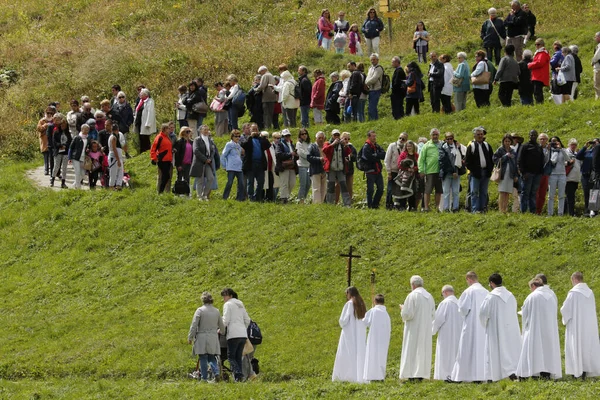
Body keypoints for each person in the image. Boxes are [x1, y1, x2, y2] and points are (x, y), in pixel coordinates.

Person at [516, 278, 562, 380]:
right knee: (547, 350)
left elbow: (525, 312)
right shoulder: (551, 296)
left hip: (535, 328)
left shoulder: (532, 296)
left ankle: (531, 373)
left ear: (533, 286)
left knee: (533, 349)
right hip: (549, 329)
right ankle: (546, 373)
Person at [479, 274, 521, 382]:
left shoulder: (491, 297)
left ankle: (491, 376)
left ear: (492, 283)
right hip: (511, 328)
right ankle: (514, 371)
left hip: (496, 328)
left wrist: (484, 324)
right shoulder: (510, 295)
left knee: (495, 350)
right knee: (511, 349)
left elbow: (483, 313)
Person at [449, 271, 488, 383]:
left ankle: (462, 375)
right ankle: (481, 375)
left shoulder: (469, 292)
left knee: (466, 349)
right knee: (481, 349)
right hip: (483, 325)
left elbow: (463, 309)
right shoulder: (485, 291)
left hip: (471, 325)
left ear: (469, 279)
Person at [561, 272, 600, 378]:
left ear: (574, 279)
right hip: (588, 326)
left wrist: (564, 318)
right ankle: (586, 370)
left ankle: (576, 371)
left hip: (576, 326)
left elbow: (565, 309)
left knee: (576, 345)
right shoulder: (590, 293)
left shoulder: (574, 293)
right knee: (587, 347)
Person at [399, 275, 435, 381]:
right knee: (422, 350)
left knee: (412, 349)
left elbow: (407, 314)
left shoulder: (412, 295)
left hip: (414, 328)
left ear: (413, 285)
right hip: (426, 328)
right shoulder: (429, 296)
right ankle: (420, 374)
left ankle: (411, 374)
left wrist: (402, 309)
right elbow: (433, 314)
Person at [188, 292, 225, 383]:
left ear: (203, 300)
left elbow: (194, 325)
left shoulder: (200, 310)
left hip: (202, 336)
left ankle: (204, 378)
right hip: (213, 336)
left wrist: (190, 337)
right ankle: (216, 373)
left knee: (203, 357)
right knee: (212, 357)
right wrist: (223, 332)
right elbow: (221, 325)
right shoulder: (216, 311)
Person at [332, 286, 367, 383]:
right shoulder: (361, 304)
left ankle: (346, 375)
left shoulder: (349, 304)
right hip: (359, 333)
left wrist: (341, 323)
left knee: (347, 351)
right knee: (359, 352)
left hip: (349, 333)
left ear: (349, 294)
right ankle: (359, 375)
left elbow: (343, 320)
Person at [221, 288, 250, 383]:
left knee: (231, 357)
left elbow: (225, 320)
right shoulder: (241, 304)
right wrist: (243, 328)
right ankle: (239, 378)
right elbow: (247, 320)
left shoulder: (228, 304)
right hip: (243, 334)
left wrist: (220, 329)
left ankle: (238, 374)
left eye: (225, 296)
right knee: (238, 357)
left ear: (230, 296)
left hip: (233, 334)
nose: (224, 298)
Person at [432, 285, 461, 381]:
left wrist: (432, 330)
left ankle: (445, 375)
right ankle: (456, 375)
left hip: (446, 335)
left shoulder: (445, 303)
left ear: (445, 292)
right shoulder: (459, 303)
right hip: (458, 334)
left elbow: (438, 319)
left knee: (445, 355)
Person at [363, 294, 391, 382]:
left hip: (374, 338)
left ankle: (372, 376)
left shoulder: (373, 311)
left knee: (372, 355)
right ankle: (380, 376)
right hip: (384, 339)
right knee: (381, 356)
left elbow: (365, 321)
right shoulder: (386, 314)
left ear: (375, 302)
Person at [466, 126, 493, 213]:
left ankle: (482, 208)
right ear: (474, 136)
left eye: (481, 134)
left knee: (484, 192)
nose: (480, 136)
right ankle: (475, 209)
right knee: (474, 192)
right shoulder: (471, 146)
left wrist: (489, 170)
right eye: (478, 134)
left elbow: (492, 158)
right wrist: (474, 171)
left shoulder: (487, 145)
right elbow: (467, 161)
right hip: (475, 174)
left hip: (486, 172)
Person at [241, 125, 270, 202]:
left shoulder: (260, 140)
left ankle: (257, 196)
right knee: (250, 182)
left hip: (260, 164)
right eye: (253, 129)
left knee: (261, 182)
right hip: (251, 164)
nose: (255, 131)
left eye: (256, 129)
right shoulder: (248, 139)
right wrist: (250, 136)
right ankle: (251, 197)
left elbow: (268, 144)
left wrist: (261, 136)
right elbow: (243, 145)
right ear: (250, 130)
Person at [323, 129, 351, 207]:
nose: (336, 137)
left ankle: (347, 204)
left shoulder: (341, 144)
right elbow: (324, 150)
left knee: (343, 185)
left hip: (340, 168)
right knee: (331, 186)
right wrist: (332, 144)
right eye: (335, 135)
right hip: (331, 168)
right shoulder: (327, 143)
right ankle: (330, 203)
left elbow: (348, 152)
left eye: (338, 135)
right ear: (332, 136)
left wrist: (345, 145)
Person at [517, 130, 544, 213]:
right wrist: (523, 173)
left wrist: (540, 172)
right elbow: (519, 160)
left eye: (535, 135)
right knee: (525, 193)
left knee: (533, 193)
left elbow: (542, 160)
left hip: (537, 174)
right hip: (527, 174)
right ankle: (523, 211)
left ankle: (532, 211)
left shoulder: (539, 147)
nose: (533, 136)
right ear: (529, 136)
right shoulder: (525, 146)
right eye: (532, 135)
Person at [418, 129, 442, 212]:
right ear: (430, 136)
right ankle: (426, 207)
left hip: (440, 171)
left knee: (439, 190)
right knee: (427, 190)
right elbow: (421, 159)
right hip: (429, 171)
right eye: (433, 134)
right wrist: (421, 170)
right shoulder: (426, 145)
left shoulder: (441, 144)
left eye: (436, 134)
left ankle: (437, 207)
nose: (435, 136)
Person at [493, 134, 518, 213]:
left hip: (510, 174)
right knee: (502, 192)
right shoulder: (500, 150)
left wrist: (515, 175)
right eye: (506, 141)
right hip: (502, 174)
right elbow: (495, 160)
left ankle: (505, 209)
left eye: (509, 141)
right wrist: (505, 156)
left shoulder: (513, 151)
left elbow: (515, 164)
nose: (507, 143)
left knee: (507, 192)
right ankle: (501, 210)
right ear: (503, 141)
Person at [439, 133, 464, 212]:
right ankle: (446, 208)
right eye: (448, 139)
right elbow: (444, 162)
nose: (449, 140)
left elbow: (462, 158)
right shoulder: (442, 148)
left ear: (453, 138)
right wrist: (452, 171)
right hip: (447, 173)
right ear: (445, 139)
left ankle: (455, 207)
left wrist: (456, 171)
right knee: (446, 192)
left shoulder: (458, 146)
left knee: (456, 191)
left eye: (451, 138)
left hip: (456, 173)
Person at [361, 130, 385, 209]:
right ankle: (370, 205)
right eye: (373, 136)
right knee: (370, 190)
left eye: (375, 136)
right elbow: (368, 157)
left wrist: (376, 155)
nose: (375, 138)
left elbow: (384, 154)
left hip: (378, 171)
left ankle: (375, 204)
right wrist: (377, 156)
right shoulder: (366, 146)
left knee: (381, 189)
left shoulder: (377, 146)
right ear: (369, 137)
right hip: (370, 171)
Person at [190, 125, 214, 201]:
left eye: (207, 130)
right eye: (204, 130)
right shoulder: (197, 140)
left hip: (208, 162)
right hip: (199, 162)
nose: (206, 131)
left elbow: (212, 150)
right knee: (200, 180)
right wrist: (205, 159)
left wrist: (210, 158)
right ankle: (199, 196)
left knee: (211, 178)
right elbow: (196, 151)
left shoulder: (209, 140)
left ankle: (205, 194)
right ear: (200, 131)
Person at [546, 136, 569, 216]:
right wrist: (551, 150)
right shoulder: (549, 150)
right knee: (551, 195)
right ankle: (550, 213)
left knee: (561, 195)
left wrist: (561, 149)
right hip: (552, 174)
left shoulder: (563, 150)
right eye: (552, 141)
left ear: (559, 141)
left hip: (562, 174)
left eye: (556, 141)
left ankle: (560, 213)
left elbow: (568, 159)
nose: (554, 143)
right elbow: (552, 161)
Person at [384, 133, 408, 209]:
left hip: (401, 171)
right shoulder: (392, 146)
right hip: (393, 170)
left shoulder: (406, 148)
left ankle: (401, 205)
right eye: (400, 138)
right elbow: (387, 159)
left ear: (406, 140)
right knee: (390, 188)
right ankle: (389, 204)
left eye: (403, 139)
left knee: (401, 189)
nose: (401, 140)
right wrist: (388, 172)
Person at [397, 140, 421, 211]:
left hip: (413, 176)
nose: (409, 147)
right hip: (404, 176)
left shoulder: (416, 155)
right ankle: (402, 206)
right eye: (407, 146)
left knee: (413, 191)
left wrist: (414, 169)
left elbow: (419, 165)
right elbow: (399, 164)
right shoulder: (403, 154)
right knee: (403, 190)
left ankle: (412, 206)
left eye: (410, 146)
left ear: (413, 147)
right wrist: (407, 169)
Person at [576, 138, 598, 215]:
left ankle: (593, 210)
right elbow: (578, 156)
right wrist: (585, 147)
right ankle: (587, 210)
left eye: (595, 142)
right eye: (593, 142)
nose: (594, 144)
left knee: (594, 193)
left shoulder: (598, 152)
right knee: (586, 193)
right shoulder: (587, 152)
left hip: (595, 176)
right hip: (585, 175)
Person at [150, 123, 173, 194]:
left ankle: (161, 192)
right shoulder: (159, 137)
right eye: (168, 129)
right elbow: (153, 148)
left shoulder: (167, 137)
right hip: (162, 160)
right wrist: (154, 158)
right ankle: (160, 192)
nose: (170, 130)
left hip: (168, 159)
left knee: (166, 176)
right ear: (164, 129)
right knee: (165, 176)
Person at [275, 129, 297, 204]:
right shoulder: (279, 144)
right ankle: (283, 199)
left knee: (292, 183)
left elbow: (294, 155)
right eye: (285, 136)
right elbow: (278, 155)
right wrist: (290, 154)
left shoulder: (291, 144)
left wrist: (296, 155)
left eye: (288, 135)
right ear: (282, 136)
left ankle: (286, 196)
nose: (287, 137)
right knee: (284, 184)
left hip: (292, 166)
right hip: (283, 167)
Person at [221, 131, 245, 201]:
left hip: (239, 167)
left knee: (241, 183)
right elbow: (223, 155)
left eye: (239, 136)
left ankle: (240, 198)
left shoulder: (239, 145)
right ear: (232, 137)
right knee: (230, 182)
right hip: (231, 167)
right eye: (236, 136)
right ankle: (225, 197)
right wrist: (224, 165)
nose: (237, 138)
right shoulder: (229, 144)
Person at [50, 113, 71, 189]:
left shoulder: (68, 133)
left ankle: (63, 182)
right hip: (58, 151)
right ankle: (52, 179)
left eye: (64, 126)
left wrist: (66, 146)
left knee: (64, 167)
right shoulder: (56, 132)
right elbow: (54, 142)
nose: (63, 127)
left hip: (65, 152)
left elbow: (70, 142)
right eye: (62, 125)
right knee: (56, 166)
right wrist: (60, 145)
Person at [133, 88, 156, 153]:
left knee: (145, 137)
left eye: (141, 93)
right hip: (140, 121)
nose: (140, 94)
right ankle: (142, 150)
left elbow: (150, 112)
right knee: (140, 136)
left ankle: (147, 149)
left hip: (145, 122)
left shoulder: (150, 101)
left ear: (145, 94)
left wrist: (148, 123)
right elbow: (137, 110)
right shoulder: (141, 101)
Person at [528, 38, 550, 104]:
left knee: (537, 92)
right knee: (536, 91)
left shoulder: (542, 53)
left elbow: (539, 63)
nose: (536, 46)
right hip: (537, 75)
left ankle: (540, 104)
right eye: (535, 44)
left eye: (538, 44)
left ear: (542, 45)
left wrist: (529, 65)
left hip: (539, 75)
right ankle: (539, 103)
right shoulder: (539, 53)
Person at [307, 131, 327, 204]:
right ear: (316, 139)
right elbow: (309, 157)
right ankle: (316, 204)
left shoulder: (325, 146)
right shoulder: (312, 146)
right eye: (319, 138)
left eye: (322, 138)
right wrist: (319, 159)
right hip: (315, 170)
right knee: (316, 188)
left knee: (324, 188)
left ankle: (321, 203)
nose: (321, 139)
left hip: (324, 170)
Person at [69, 124, 90, 190]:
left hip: (83, 157)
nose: (86, 131)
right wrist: (69, 158)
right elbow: (71, 148)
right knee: (77, 172)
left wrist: (87, 150)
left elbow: (88, 147)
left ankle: (74, 184)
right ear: (81, 129)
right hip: (75, 157)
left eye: (87, 130)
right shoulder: (77, 138)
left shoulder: (88, 138)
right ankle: (78, 188)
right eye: (85, 129)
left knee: (83, 173)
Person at [173, 127, 193, 191]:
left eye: (189, 131)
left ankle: (186, 192)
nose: (189, 133)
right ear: (183, 133)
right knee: (179, 178)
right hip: (182, 163)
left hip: (189, 163)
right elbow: (177, 154)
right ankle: (178, 192)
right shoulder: (179, 142)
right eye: (187, 131)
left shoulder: (191, 142)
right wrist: (178, 165)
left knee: (187, 179)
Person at [38, 106, 56, 176]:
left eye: (51, 113)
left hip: (52, 139)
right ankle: (46, 169)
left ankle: (52, 169)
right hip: (44, 139)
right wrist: (45, 125)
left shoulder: (54, 120)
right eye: (48, 113)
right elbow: (38, 128)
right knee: (45, 154)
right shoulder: (42, 120)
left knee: (51, 155)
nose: (49, 114)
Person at [535, 133, 551, 214]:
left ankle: (539, 211)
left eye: (544, 139)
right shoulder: (535, 148)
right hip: (536, 173)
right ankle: (533, 210)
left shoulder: (550, 149)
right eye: (541, 139)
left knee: (543, 193)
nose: (542, 140)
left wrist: (549, 150)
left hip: (545, 173)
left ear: (547, 140)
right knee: (536, 193)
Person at [365, 54, 383, 121]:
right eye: (371, 60)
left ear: (377, 60)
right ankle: (374, 120)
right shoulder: (370, 68)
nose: (372, 61)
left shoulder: (379, 68)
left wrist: (366, 83)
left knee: (372, 107)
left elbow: (374, 78)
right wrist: (366, 83)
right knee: (371, 107)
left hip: (376, 89)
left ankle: (373, 120)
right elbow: (368, 77)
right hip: (370, 89)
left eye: (374, 59)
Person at [295, 128, 311, 204]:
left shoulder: (309, 143)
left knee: (308, 184)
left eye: (305, 133)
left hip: (309, 165)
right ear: (300, 135)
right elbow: (302, 154)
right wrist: (310, 156)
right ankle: (300, 200)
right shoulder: (299, 143)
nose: (304, 135)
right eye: (302, 134)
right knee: (303, 184)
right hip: (302, 166)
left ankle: (303, 199)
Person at [108, 123, 124, 189]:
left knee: (120, 171)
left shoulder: (114, 136)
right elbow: (114, 149)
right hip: (114, 157)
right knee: (113, 173)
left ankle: (118, 185)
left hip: (118, 157)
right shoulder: (113, 137)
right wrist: (118, 160)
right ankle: (111, 186)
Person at [592, 32, 600, 100]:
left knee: (597, 84)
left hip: (598, 68)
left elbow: (597, 56)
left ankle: (598, 99)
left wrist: (593, 61)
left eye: (596, 37)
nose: (595, 38)